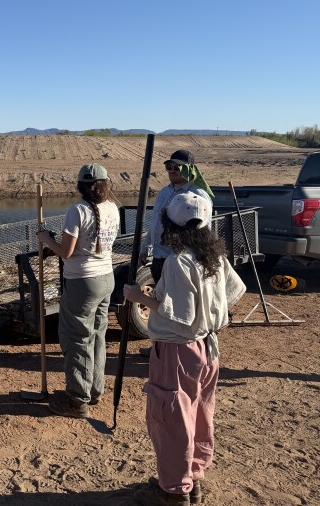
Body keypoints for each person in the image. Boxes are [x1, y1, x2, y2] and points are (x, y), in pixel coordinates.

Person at [123, 193, 245, 506]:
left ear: (170, 225)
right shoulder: (213, 257)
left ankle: (174, 492)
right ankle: (193, 478)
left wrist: (140, 298)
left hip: (178, 351)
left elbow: (179, 316)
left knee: (173, 420)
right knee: (200, 414)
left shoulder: (179, 262)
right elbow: (234, 290)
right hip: (208, 348)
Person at [37, 163, 120, 418]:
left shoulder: (77, 210)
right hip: (106, 278)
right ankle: (94, 389)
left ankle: (77, 400)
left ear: (80, 186)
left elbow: (67, 252)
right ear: (106, 184)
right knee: (96, 335)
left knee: (77, 339)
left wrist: (46, 239)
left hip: (82, 282)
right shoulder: (113, 208)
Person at [140, 149, 214, 283]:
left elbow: (204, 232)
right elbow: (156, 223)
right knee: (160, 301)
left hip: (180, 261)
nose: (172, 170)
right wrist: (145, 248)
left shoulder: (198, 195)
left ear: (189, 169)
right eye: (169, 167)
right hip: (159, 258)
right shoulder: (164, 191)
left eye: (177, 167)